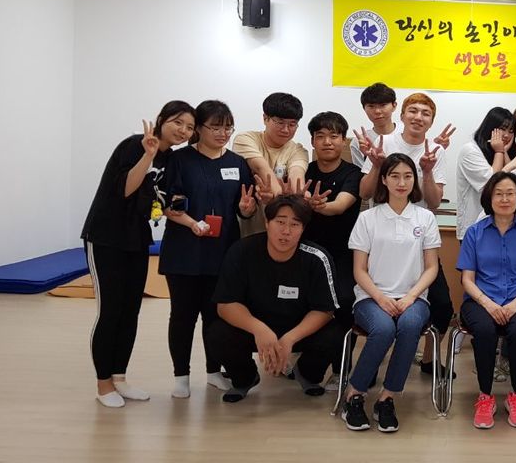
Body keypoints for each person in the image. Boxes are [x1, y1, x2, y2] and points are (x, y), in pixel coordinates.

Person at [83, 101, 195, 407]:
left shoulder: (170, 159)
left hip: (136, 238)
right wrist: (147, 155)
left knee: (130, 310)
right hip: (105, 237)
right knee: (110, 311)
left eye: (189, 127)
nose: (183, 130)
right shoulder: (135, 145)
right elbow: (125, 189)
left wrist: (189, 218)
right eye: (178, 122)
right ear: (161, 119)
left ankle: (119, 378)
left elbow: (163, 202)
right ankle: (103, 384)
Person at [159, 99, 255, 399]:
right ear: (198, 129)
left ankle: (214, 371)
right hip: (184, 250)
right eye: (215, 127)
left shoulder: (237, 163)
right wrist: (191, 223)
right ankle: (181, 376)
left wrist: (246, 209)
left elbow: (245, 208)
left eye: (228, 128)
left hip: (223, 252)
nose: (222, 134)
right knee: (182, 315)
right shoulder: (179, 160)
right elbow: (169, 203)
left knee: (216, 316)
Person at [206, 195, 342, 404]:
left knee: (335, 334)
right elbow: (225, 305)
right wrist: (259, 329)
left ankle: (306, 374)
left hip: (298, 329)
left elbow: (325, 310)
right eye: (280, 222)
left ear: (303, 229)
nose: (286, 231)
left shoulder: (316, 258)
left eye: (294, 224)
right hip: (254, 328)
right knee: (217, 333)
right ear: (267, 223)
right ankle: (245, 378)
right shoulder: (242, 251)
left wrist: (290, 339)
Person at [340, 154, 441, 432]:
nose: (401, 182)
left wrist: (410, 297)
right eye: (394, 176)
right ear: (384, 180)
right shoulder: (367, 218)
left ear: (414, 180)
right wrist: (381, 298)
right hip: (371, 297)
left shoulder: (425, 217)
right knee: (383, 329)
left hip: (414, 298)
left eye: (408, 176)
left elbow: (431, 268)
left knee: (409, 326)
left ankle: (387, 398)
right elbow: (359, 270)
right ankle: (354, 394)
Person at [357, 92, 455, 373]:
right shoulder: (384, 142)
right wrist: (377, 165)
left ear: (431, 121)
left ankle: (428, 359)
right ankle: (375, 360)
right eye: (413, 111)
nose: (418, 117)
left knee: (442, 304)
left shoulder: (436, 151)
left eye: (426, 113)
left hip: (418, 236)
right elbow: (365, 193)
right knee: (380, 308)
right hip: (381, 237)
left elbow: (433, 202)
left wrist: (427, 171)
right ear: (401, 115)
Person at [458, 172, 516, 429]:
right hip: (479, 300)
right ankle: (485, 397)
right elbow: (467, 280)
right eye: (499, 194)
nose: (505, 199)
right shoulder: (475, 233)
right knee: (485, 330)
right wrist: (489, 304)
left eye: (510, 193)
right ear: (489, 197)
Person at [302, 111, 363, 386]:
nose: (327, 142)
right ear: (312, 141)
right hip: (306, 253)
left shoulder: (353, 174)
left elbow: (339, 206)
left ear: (343, 140)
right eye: (321, 136)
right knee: (306, 305)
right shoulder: (304, 171)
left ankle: (341, 369)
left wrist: (317, 205)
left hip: (342, 253)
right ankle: (306, 364)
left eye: (334, 136)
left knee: (345, 303)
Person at [232, 92, 309, 236]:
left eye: (292, 124)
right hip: (250, 232)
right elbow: (261, 168)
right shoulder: (246, 139)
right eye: (280, 122)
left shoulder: (298, 150)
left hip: (284, 235)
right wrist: (282, 196)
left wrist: (299, 194)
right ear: (265, 118)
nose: (286, 129)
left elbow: (297, 176)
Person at [456, 107, 516, 239]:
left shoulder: (500, 151)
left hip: (503, 226)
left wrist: (503, 152)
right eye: (502, 129)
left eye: (511, 131)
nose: (506, 135)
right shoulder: (470, 151)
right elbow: (490, 185)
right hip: (474, 228)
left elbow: (514, 182)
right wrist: (500, 152)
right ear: (489, 127)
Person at [350, 82, 398, 172]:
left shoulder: (407, 134)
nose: (377, 111)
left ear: (394, 106)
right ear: (364, 109)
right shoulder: (359, 142)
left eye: (383, 105)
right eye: (371, 106)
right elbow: (361, 176)